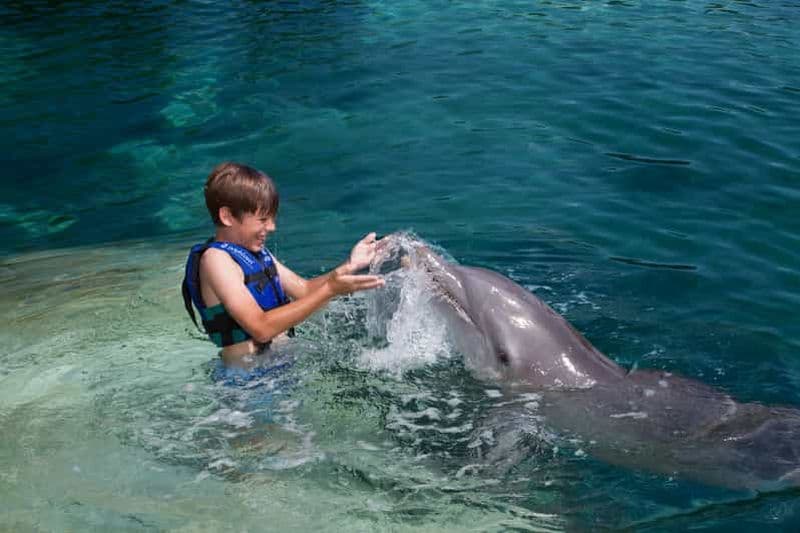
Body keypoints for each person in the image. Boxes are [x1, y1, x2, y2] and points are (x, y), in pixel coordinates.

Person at [182, 162, 384, 368]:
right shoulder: (216, 260)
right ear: (227, 216)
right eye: (262, 219)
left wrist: (349, 266)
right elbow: (260, 328)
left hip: (281, 367)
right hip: (246, 385)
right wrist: (331, 290)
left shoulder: (256, 253)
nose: (271, 227)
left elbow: (304, 290)